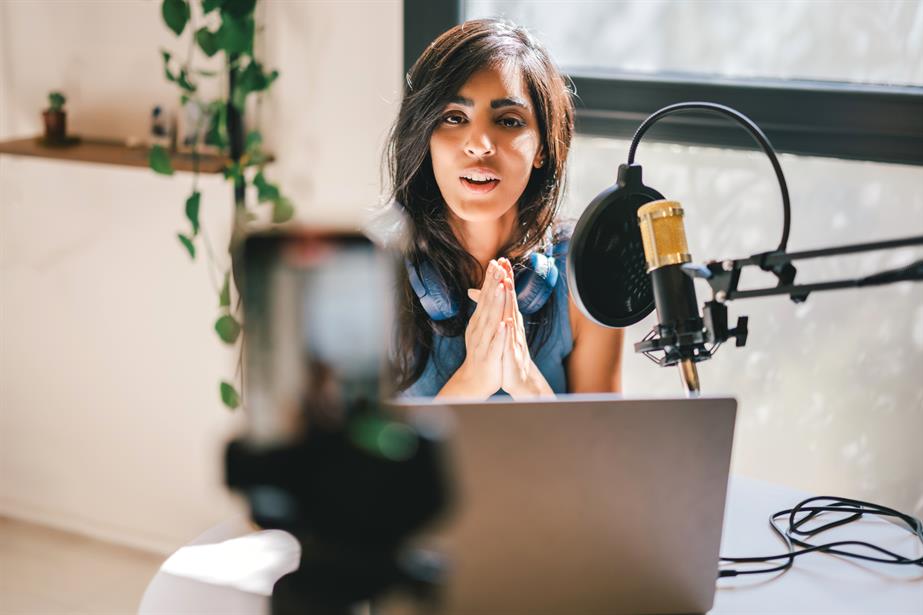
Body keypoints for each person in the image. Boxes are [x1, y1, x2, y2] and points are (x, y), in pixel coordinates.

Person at [384, 19, 623, 399]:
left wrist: (525, 380)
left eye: (508, 121)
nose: (479, 144)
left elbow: (597, 455)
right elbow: (347, 458)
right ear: (426, 138)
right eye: (454, 118)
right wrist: (472, 382)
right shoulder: (368, 269)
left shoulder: (589, 269)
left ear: (543, 147)